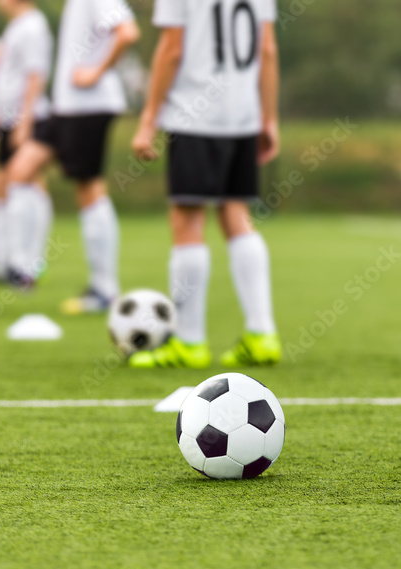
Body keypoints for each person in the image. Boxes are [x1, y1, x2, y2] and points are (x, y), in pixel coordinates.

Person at [128, 0, 282, 369]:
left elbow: (171, 49)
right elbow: (267, 49)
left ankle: (190, 342)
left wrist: (149, 117)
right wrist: (269, 117)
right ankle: (262, 335)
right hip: (243, 115)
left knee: (187, 219)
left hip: (195, 115)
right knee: (236, 213)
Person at [3, 0, 139, 296]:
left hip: (88, 107)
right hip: (65, 109)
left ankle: (104, 287)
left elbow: (128, 32)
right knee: (20, 170)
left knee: (88, 188)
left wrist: (96, 71)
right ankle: (23, 268)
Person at [0, 0, 54, 283]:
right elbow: (8, 78)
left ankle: (28, 264)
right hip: (9, 120)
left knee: (24, 181)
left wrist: (24, 123)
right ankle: (2, 261)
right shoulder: (17, 25)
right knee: (1, 184)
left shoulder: (33, 26)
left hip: (29, 119)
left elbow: (36, 77)